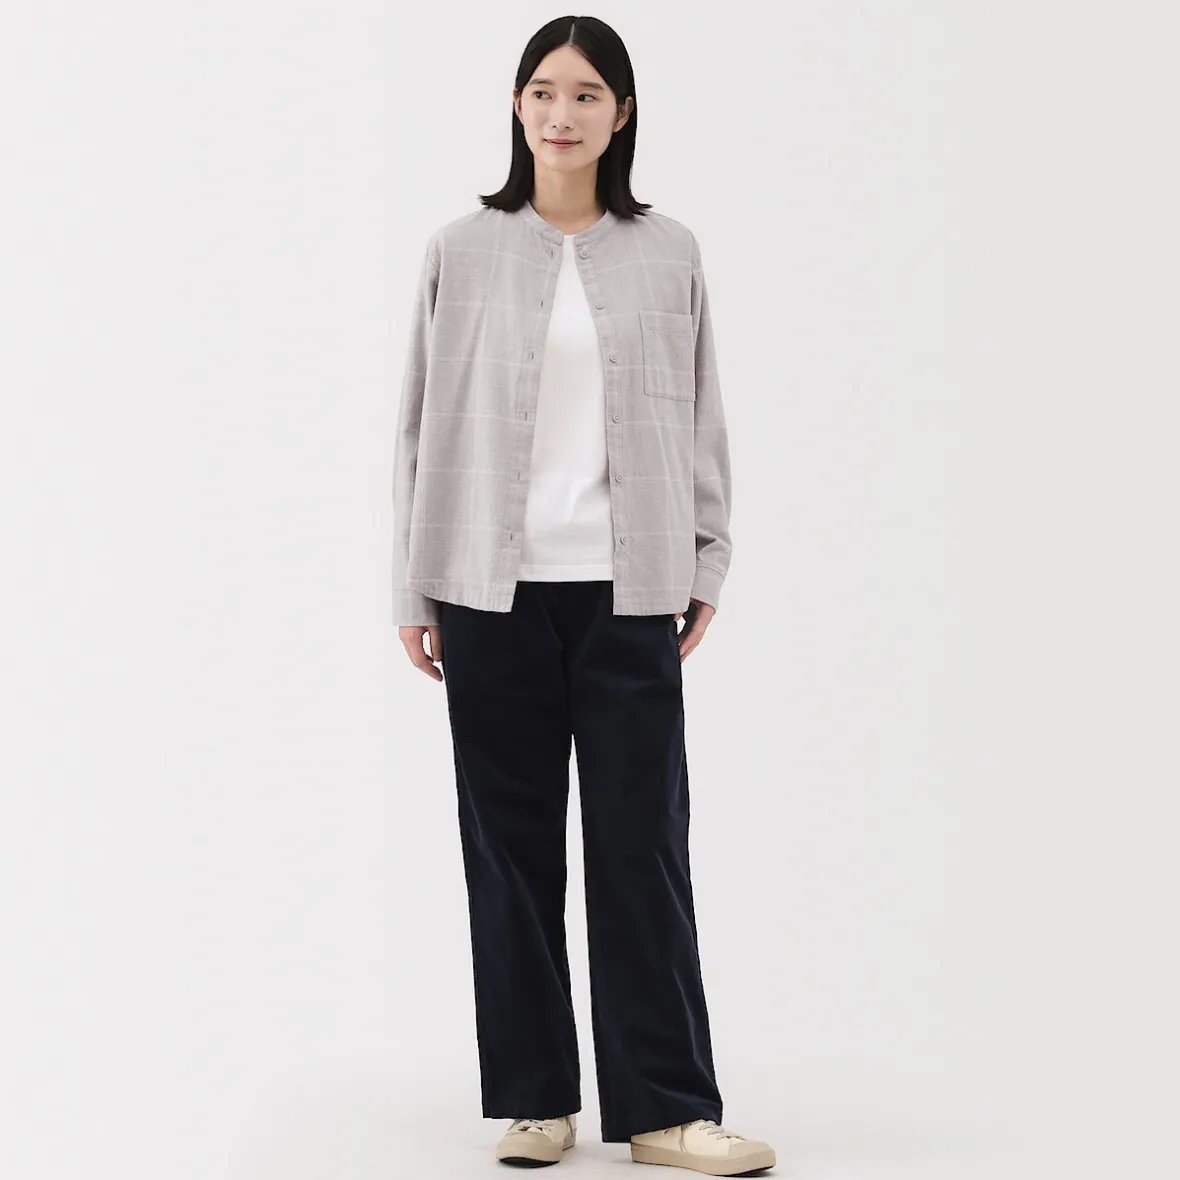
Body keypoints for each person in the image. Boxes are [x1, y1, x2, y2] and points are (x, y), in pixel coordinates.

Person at [392, 16, 775, 1176]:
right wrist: (412, 581)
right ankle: (535, 1100)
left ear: (622, 114)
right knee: (508, 853)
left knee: (640, 846)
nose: (562, 114)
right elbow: (418, 425)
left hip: (628, 588)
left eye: (587, 94)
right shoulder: (462, 249)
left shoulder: (668, 251)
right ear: (518, 107)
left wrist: (706, 558)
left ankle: (666, 1109)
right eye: (544, 91)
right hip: (486, 589)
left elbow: (702, 413)